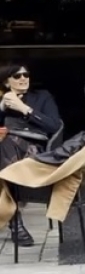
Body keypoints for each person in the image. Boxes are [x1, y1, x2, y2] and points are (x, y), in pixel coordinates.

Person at [0, 62, 62, 246]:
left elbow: (54, 126)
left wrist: (24, 109)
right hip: (8, 152)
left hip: (34, 150)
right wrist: (2, 108)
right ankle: (14, 221)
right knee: (6, 145)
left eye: (26, 75)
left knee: (6, 144)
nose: (23, 79)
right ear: (6, 82)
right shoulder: (3, 101)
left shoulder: (42, 97)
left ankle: (13, 219)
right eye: (17, 76)